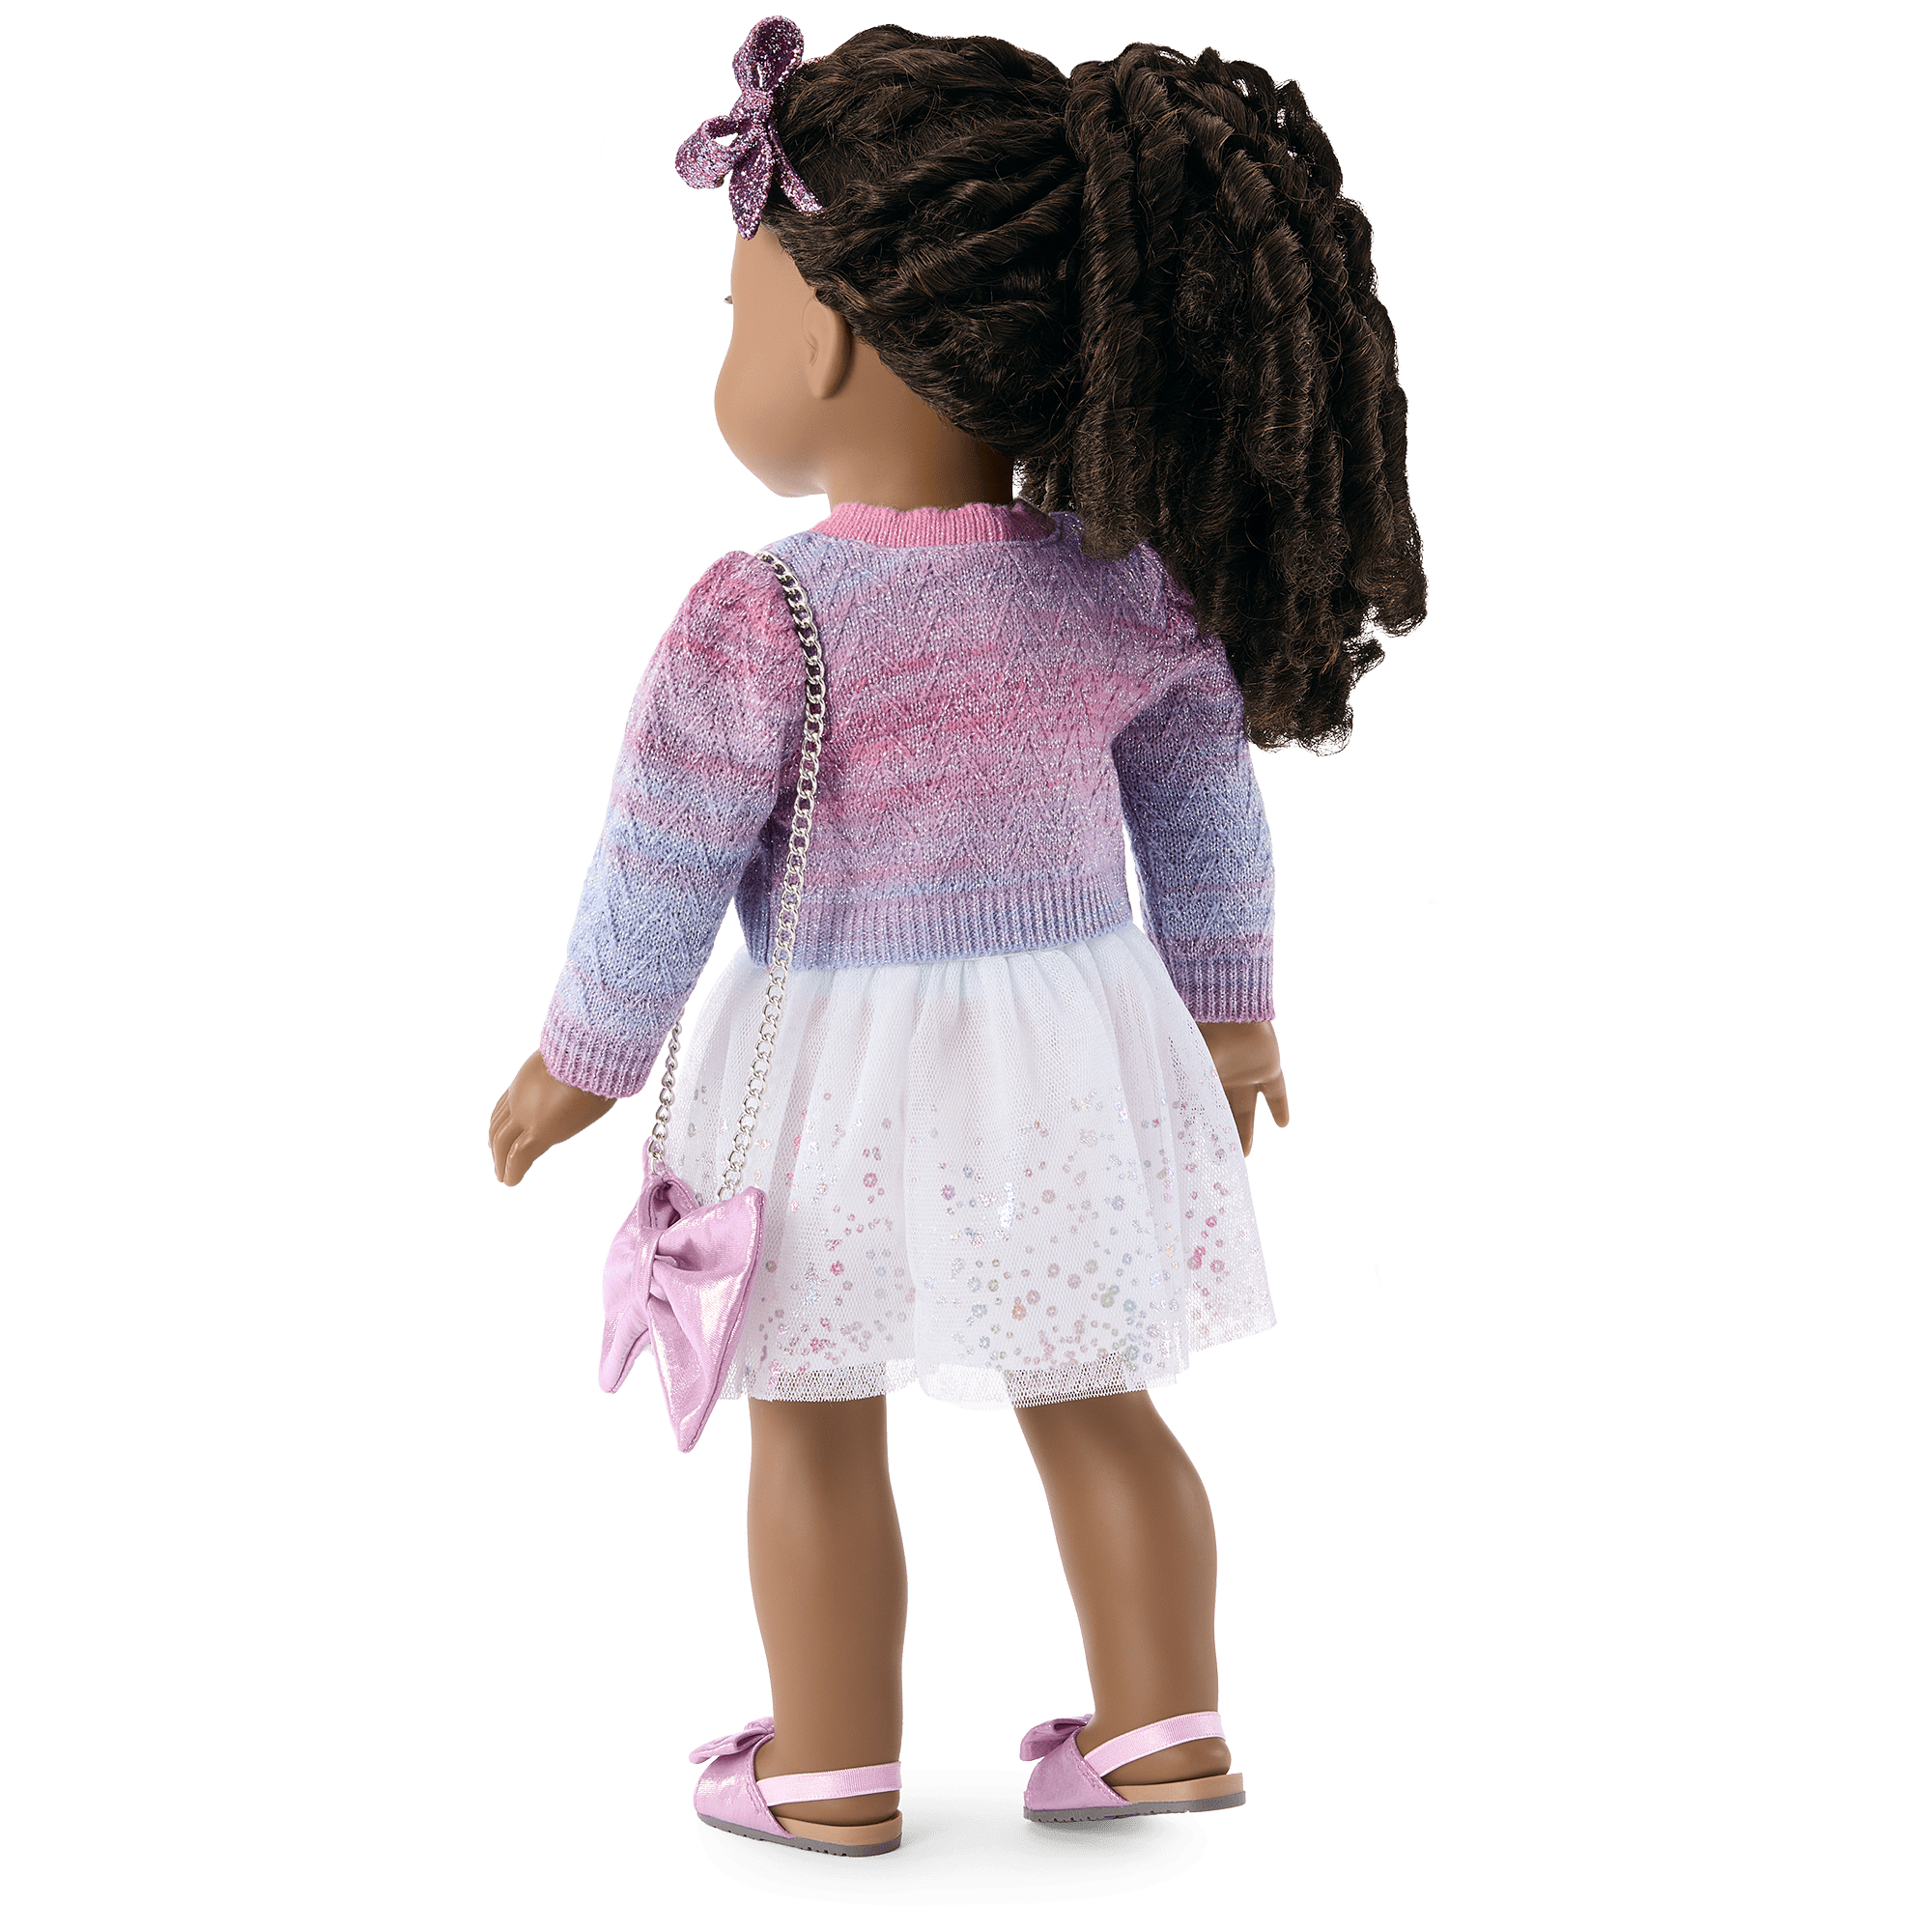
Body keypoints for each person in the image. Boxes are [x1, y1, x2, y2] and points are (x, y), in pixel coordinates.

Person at [487, 15, 1427, 1858]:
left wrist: (581, 1060)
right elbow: (1205, 810)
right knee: (1096, 1396)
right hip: (1071, 1050)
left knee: (811, 1415)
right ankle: (1165, 1727)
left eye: (740, 313)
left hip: (831, 1070)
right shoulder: (1122, 587)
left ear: (828, 340)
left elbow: (657, 863)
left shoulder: (765, 615)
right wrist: (1230, 1011)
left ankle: (832, 1768)